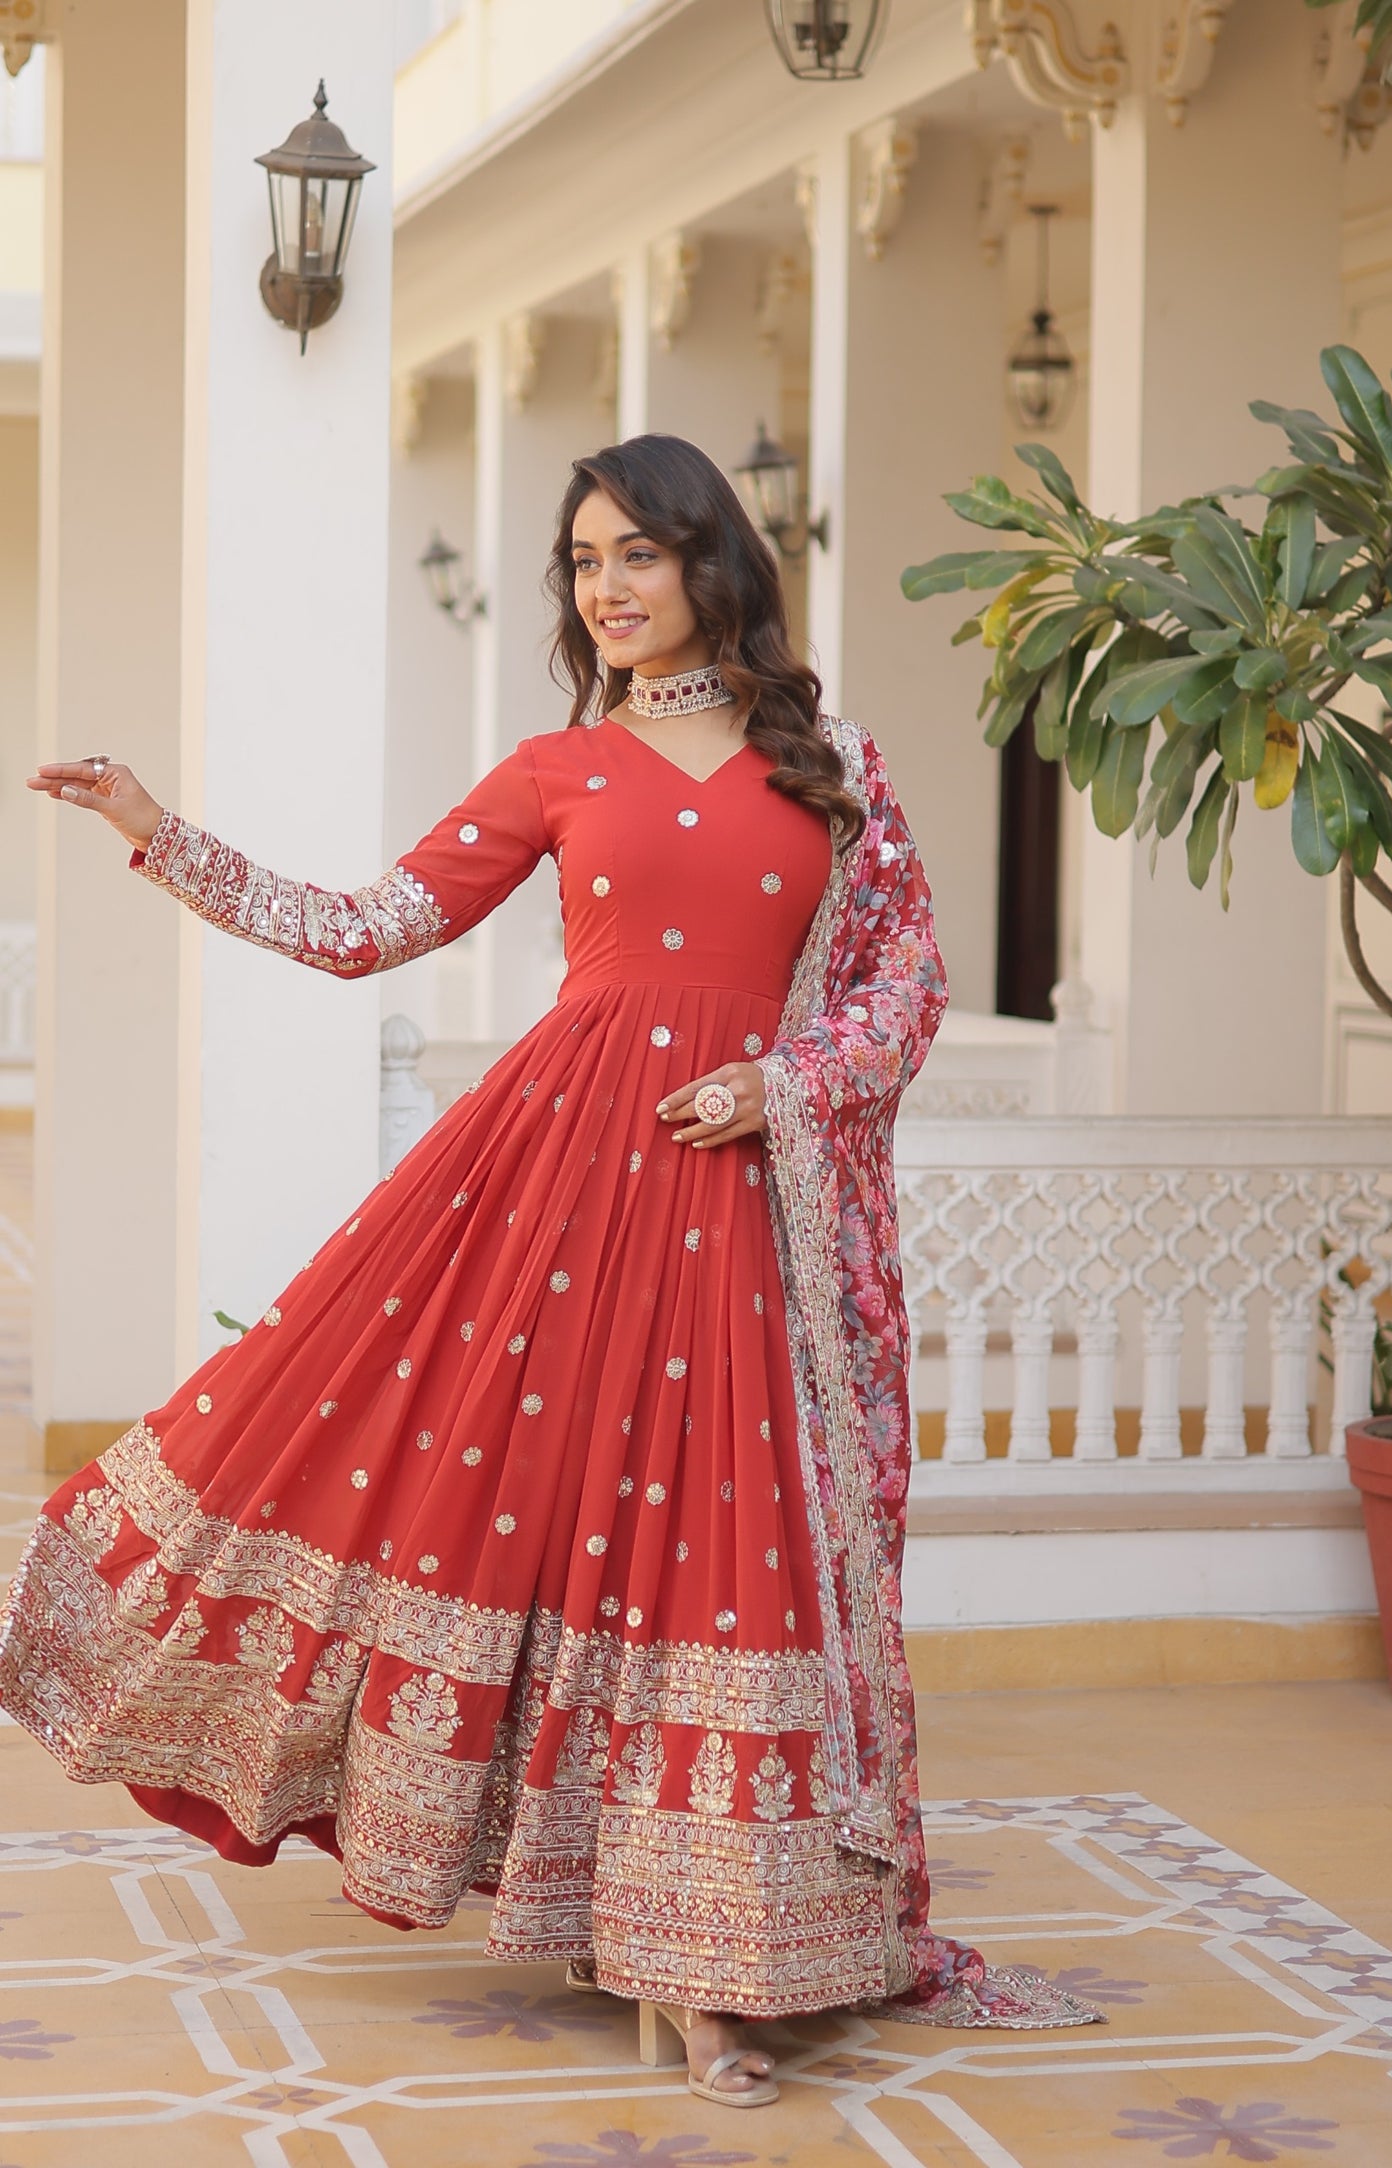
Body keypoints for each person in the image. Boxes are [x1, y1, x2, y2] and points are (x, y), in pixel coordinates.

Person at [0, 434, 1098, 2108]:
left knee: (725, 1557)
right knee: (554, 1526)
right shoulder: (556, 768)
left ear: (710, 562)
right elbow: (365, 923)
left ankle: (716, 1952)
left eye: (637, 554)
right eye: (583, 562)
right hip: (560, 1186)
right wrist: (162, 832)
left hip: (742, 1201)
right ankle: (612, 1910)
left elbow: (904, 989)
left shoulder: (836, 768)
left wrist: (781, 1085)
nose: (607, 588)